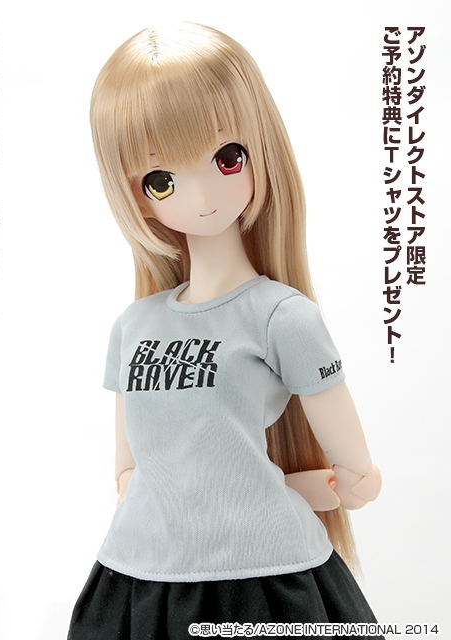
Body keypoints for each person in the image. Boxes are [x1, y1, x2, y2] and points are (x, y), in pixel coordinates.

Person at [67, 21, 384, 640]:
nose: (203, 194)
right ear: (136, 195)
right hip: (139, 570)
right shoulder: (135, 325)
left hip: (264, 577)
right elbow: (129, 470)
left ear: (259, 151)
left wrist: (345, 479)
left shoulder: (279, 315)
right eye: (161, 180)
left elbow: (352, 464)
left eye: (226, 158)